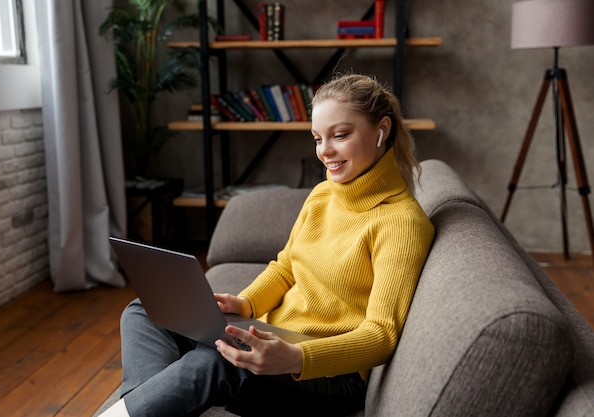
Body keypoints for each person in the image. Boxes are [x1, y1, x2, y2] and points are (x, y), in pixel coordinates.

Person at [100, 73, 434, 417]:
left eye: (340, 135)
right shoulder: (322, 195)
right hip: (272, 335)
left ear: (382, 130)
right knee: (145, 310)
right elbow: (286, 267)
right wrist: (246, 303)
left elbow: (382, 336)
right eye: (317, 138)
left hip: (330, 372)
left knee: (215, 361)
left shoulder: (401, 223)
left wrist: (296, 357)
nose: (325, 152)